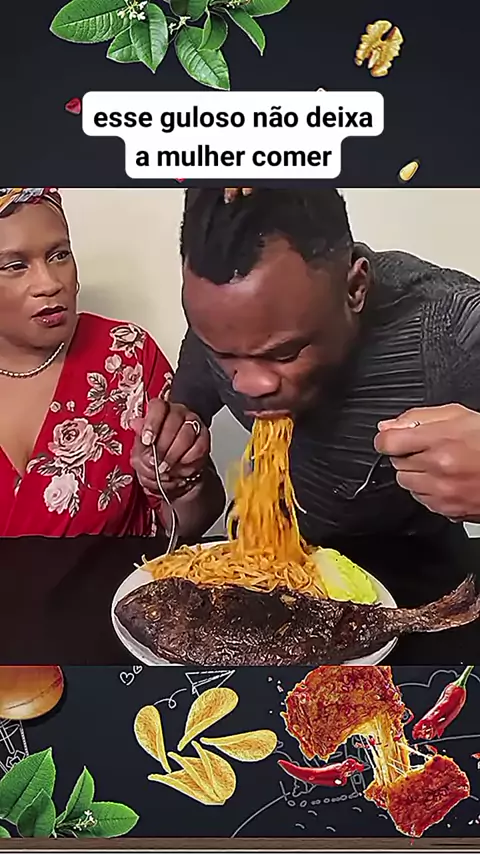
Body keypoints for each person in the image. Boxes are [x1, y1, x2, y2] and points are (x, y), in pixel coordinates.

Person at [134, 187, 480, 545]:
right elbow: (190, 516)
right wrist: (176, 475)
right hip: (257, 556)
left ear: (355, 287)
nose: (248, 384)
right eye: (224, 355)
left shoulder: (453, 327)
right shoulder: (224, 324)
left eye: (284, 354)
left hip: (410, 566)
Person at [0, 187, 224, 538]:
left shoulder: (126, 355)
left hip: (127, 577)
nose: (49, 283)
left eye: (59, 255)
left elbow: (191, 520)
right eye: (15, 266)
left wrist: (182, 481)